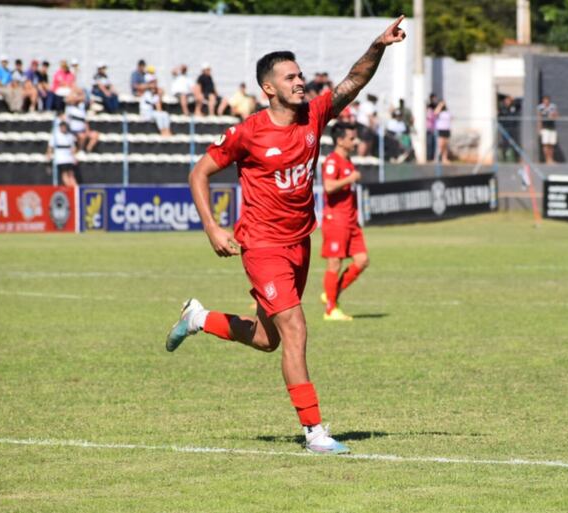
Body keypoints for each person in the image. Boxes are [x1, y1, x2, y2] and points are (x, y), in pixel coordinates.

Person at [165, 16, 406, 455]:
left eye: (300, 75)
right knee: (295, 329)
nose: (300, 82)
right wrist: (212, 227)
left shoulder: (313, 115)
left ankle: (197, 318)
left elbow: (354, 81)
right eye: (290, 78)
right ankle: (314, 431)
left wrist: (379, 46)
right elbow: (199, 171)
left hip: (300, 242)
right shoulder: (248, 132)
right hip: (261, 245)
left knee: (267, 337)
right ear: (269, 89)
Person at [319, 122, 369, 321]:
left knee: (362, 260)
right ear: (340, 141)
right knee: (335, 263)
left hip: (351, 220)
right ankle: (331, 309)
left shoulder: (348, 161)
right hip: (336, 219)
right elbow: (329, 186)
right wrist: (350, 179)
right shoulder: (332, 161)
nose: (354, 141)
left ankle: (331, 294)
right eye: (351, 138)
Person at [46, 120, 80, 187]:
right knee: (64, 174)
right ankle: (70, 189)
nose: (63, 128)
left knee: (71, 174)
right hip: (60, 158)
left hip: (69, 158)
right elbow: (50, 147)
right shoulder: (55, 135)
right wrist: (48, 155)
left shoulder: (70, 136)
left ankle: (75, 189)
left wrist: (74, 157)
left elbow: (73, 148)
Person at [65, 87, 99, 152]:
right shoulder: (69, 106)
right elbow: (70, 99)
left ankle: (88, 150)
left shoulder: (82, 107)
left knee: (95, 135)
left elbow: (85, 121)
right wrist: (77, 92)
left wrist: (87, 130)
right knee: (82, 136)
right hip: (73, 130)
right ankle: (81, 150)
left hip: (82, 129)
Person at [498, 95, 521, 162]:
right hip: (506, 128)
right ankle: (504, 158)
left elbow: (519, 104)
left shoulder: (513, 107)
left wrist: (513, 100)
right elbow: (500, 117)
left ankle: (516, 158)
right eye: (507, 100)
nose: (508, 102)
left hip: (513, 127)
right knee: (505, 144)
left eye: (509, 100)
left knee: (515, 143)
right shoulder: (502, 108)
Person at [537, 95, 559, 164]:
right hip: (545, 128)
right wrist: (539, 128)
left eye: (547, 100)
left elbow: (557, 116)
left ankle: (551, 159)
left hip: (552, 127)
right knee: (545, 144)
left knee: (551, 144)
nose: (546, 102)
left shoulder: (553, 107)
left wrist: (553, 116)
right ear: (543, 101)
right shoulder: (540, 108)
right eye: (544, 100)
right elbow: (539, 118)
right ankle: (547, 159)